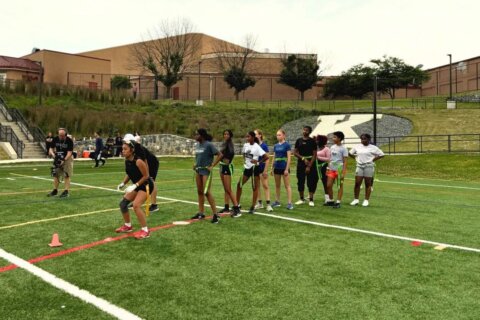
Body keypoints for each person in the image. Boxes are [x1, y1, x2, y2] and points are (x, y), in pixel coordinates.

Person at [115, 139, 153, 239]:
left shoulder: (139, 161)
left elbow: (146, 176)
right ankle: (128, 226)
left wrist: (135, 185)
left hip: (146, 185)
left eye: (125, 149)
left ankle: (145, 230)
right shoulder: (127, 160)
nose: (123, 151)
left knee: (136, 205)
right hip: (137, 185)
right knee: (123, 204)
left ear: (131, 150)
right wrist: (123, 183)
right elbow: (129, 173)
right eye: (122, 149)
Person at [191, 128, 223, 224]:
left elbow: (220, 155)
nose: (195, 136)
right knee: (200, 191)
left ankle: (216, 215)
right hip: (198, 170)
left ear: (202, 135)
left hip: (206, 171)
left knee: (207, 192)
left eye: (197, 134)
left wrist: (212, 165)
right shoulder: (198, 145)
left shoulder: (209, 144)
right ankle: (201, 212)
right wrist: (195, 164)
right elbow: (198, 157)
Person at [123, 133, 160, 212]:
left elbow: (145, 161)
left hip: (152, 163)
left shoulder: (139, 148)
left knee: (151, 181)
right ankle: (136, 200)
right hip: (144, 163)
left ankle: (154, 205)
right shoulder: (131, 147)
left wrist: (147, 173)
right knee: (138, 179)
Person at [236, 131, 269, 214]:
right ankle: (237, 204)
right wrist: (245, 161)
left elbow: (266, 157)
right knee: (239, 184)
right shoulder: (245, 145)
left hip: (255, 169)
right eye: (246, 137)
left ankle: (252, 207)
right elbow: (244, 154)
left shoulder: (257, 146)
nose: (247, 138)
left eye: (249, 137)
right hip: (247, 168)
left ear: (253, 137)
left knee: (254, 187)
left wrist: (258, 162)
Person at [349, 133, 385, 207]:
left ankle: (366, 200)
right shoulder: (357, 146)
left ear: (369, 139)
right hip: (359, 166)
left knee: (368, 184)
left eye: (364, 139)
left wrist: (373, 160)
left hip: (368, 166)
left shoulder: (373, 147)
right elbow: (350, 153)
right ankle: (356, 199)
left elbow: (382, 154)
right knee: (357, 183)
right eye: (362, 139)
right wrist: (355, 158)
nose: (363, 140)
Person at [218, 130, 241, 217]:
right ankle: (226, 207)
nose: (226, 135)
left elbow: (228, 158)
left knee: (228, 189)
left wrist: (221, 157)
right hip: (222, 166)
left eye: (227, 134)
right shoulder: (224, 144)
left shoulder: (230, 145)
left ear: (230, 135)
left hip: (227, 167)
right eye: (224, 134)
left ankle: (236, 208)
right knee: (225, 188)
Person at [293, 126, 318, 206]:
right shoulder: (298, 141)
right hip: (301, 164)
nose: (304, 131)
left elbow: (315, 154)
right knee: (300, 181)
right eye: (303, 130)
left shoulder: (312, 141)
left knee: (311, 182)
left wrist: (309, 166)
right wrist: (303, 158)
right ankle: (301, 199)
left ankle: (311, 199)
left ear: (309, 132)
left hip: (311, 164)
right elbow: (295, 153)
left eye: (306, 130)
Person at [47, 128, 74, 198]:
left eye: (62, 135)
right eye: (60, 135)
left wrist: (64, 160)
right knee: (55, 174)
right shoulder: (55, 139)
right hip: (58, 157)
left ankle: (66, 191)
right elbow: (51, 148)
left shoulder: (69, 141)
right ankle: (55, 190)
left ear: (65, 135)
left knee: (66, 175)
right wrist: (53, 155)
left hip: (67, 158)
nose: (61, 137)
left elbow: (69, 152)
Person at [270, 129, 293, 210]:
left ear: (284, 135)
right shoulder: (276, 145)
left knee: (287, 186)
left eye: (279, 135)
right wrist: (271, 167)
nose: (278, 136)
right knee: (277, 186)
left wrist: (286, 169)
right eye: (277, 135)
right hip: (277, 167)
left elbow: (289, 158)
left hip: (284, 167)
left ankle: (290, 203)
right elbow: (274, 156)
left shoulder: (287, 145)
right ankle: (277, 201)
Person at [324, 131, 348, 209]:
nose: (333, 138)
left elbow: (345, 161)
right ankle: (331, 200)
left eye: (334, 137)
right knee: (328, 185)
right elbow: (330, 158)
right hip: (331, 169)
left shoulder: (344, 148)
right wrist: (328, 167)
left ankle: (338, 202)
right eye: (333, 137)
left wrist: (343, 172)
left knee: (339, 186)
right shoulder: (332, 147)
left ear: (339, 138)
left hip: (339, 169)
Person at [254, 129, 273, 212]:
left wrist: (265, 170)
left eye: (255, 134)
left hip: (262, 169)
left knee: (265, 186)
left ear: (260, 135)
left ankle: (268, 204)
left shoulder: (264, 146)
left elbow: (267, 159)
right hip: (256, 169)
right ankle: (259, 203)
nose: (254, 136)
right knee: (257, 186)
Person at [315, 135, 331, 204]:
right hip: (315, 166)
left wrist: (318, 158)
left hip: (323, 167)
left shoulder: (326, 149)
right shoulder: (315, 148)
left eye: (318, 140)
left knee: (325, 182)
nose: (316, 141)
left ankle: (327, 198)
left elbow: (328, 159)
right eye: (316, 140)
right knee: (313, 181)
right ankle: (310, 195)